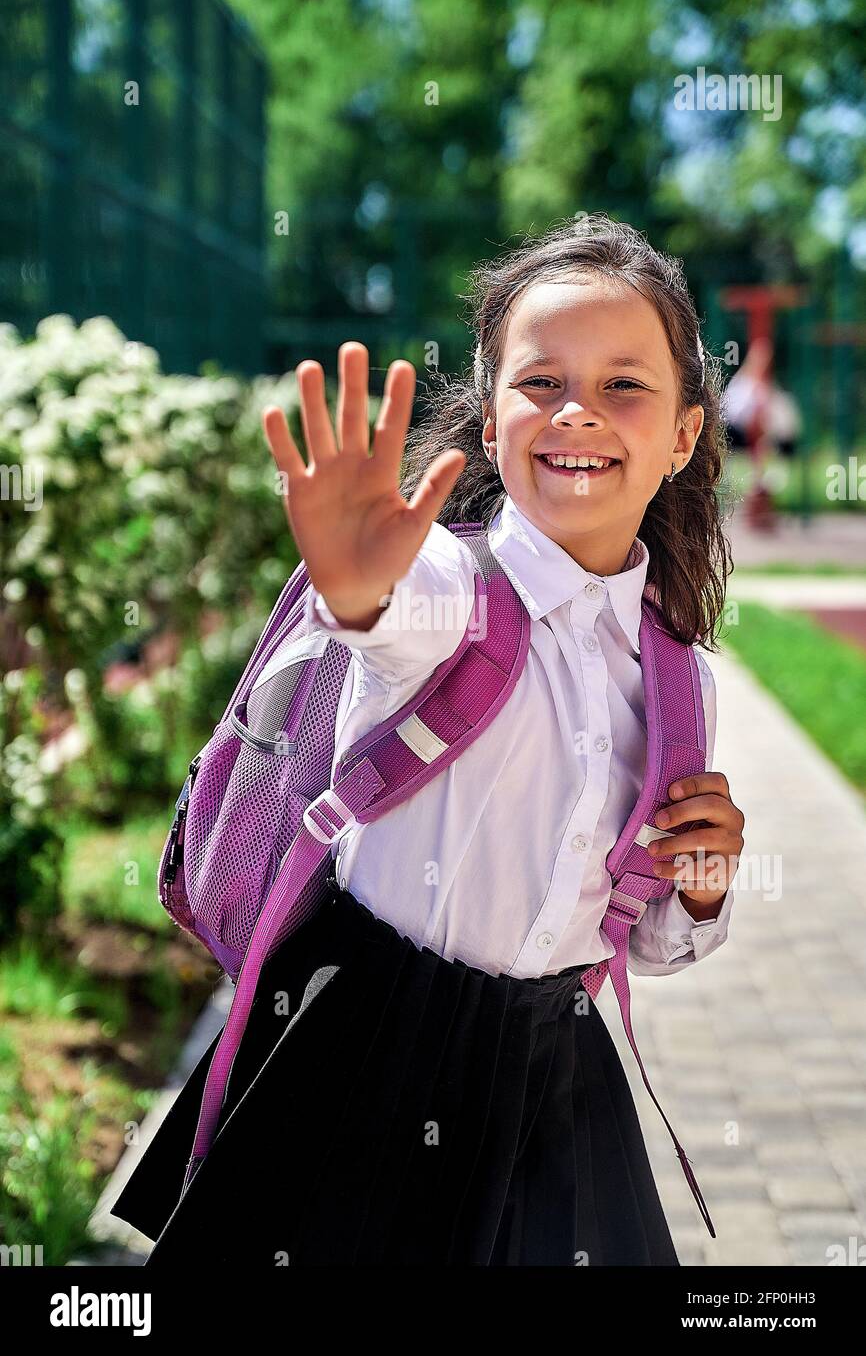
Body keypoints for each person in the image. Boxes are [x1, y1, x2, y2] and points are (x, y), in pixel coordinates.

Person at [110, 213, 744, 1267]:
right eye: (539, 382)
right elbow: (382, 609)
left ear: (680, 436)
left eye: (623, 385)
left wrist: (705, 884)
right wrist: (354, 579)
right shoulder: (450, 590)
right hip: (363, 1050)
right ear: (490, 425)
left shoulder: (679, 680)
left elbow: (645, 941)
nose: (576, 410)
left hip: (557, 1079)